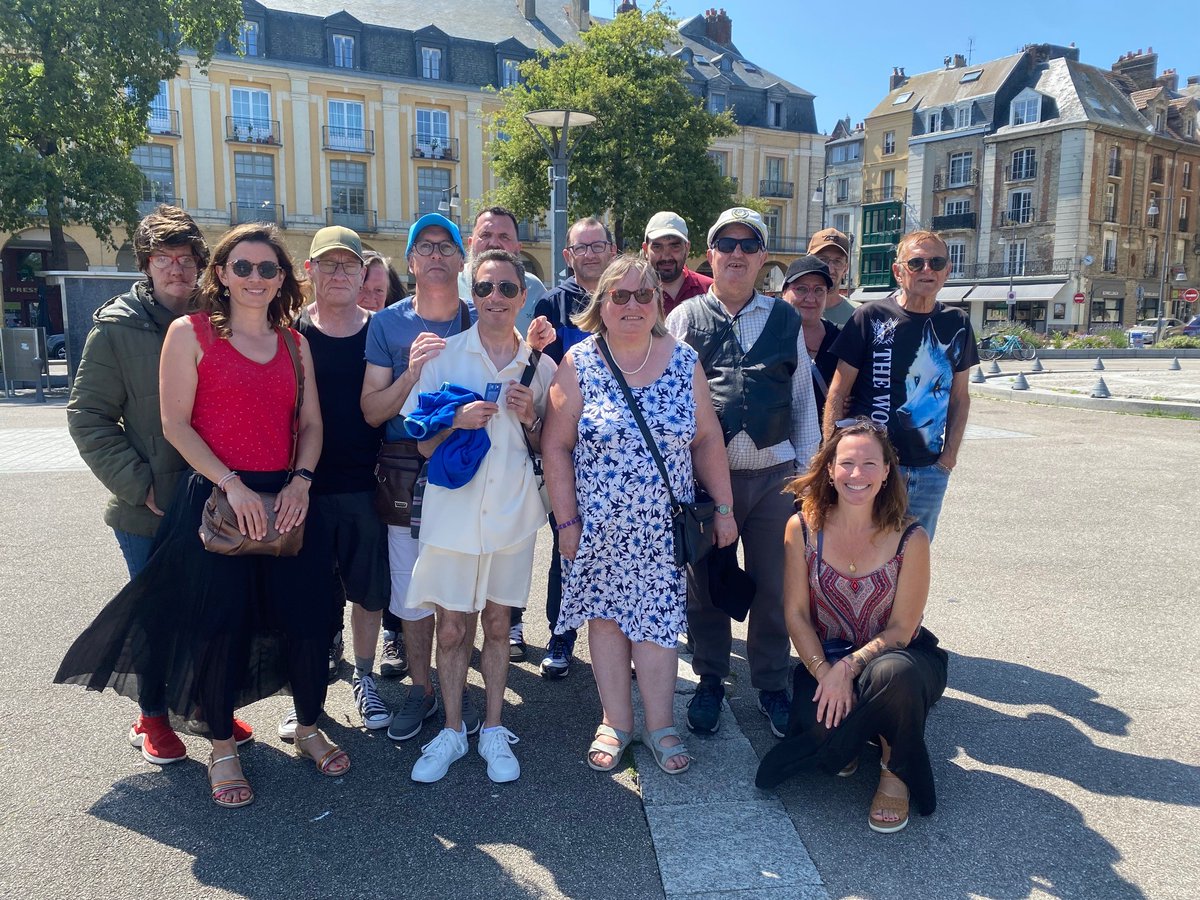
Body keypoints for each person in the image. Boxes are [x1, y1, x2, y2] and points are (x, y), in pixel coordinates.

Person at [56, 223, 347, 809]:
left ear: (283, 278)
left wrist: (302, 481)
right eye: (243, 267)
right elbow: (175, 425)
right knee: (219, 627)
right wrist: (233, 486)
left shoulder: (295, 341)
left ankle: (310, 723)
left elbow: (311, 424)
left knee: (309, 619)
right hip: (218, 500)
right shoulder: (189, 334)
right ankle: (221, 746)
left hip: (288, 499)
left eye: (269, 269)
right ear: (221, 274)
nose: (256, 278)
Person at [66, 205, 253, 763]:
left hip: (216, 496)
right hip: (148, 504)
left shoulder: (220, 317)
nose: (176, 268)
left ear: (201, 264)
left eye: (186, 257)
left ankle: (200, 704)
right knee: (157, 614)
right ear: (146, 264)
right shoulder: (117, 327)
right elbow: (88, 416)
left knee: (213, 610)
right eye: (163, 258)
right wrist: (136, 483)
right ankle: (151, 717)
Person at [544, 255, 735, 774]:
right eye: (620, 296)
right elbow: (555, 446)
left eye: (643, 295)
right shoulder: (579, 362)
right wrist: (566, 522)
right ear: (601, 304)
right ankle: (615, 721)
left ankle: (660, 725)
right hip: (596, 528)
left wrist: (723, 508)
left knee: (656, 628)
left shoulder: (683, 360)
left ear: (657, 303)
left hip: (659, 530)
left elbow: (707, 439)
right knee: (605, 624)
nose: (632, 305)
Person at [400, 249, 556, 784]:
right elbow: (421, 448)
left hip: (512, 513)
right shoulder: (442, 359)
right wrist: (457, 422)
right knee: (451, 628)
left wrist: (531, 415)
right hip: (453, 516)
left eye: (507, 289)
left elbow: (549, 445)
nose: (495, 298)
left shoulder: (540, 365)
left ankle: (491, 726)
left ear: (522, 297)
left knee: (497, 624)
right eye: (486, 288)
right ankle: (451, 729)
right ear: (472, 294)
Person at [665, 207, 820, 740]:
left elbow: (803, 402)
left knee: (777, 587)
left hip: (775, 476)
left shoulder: (784, 319)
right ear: (709, 255)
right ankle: (710, 678)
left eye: (748, 244)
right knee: (705, 584)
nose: (736, 253)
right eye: (725, 243)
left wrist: (809, 479)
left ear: (761, 258)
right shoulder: (684, 318)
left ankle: (771, 684)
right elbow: (666, 399)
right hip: (708, 480)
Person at [754, 419, 947, 834]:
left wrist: (848, 669)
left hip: (900, 659)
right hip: (826, 657)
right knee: (824, 730)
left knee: (894, 675)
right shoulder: (802, 528)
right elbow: (797, 615)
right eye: (847, 463)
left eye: (869, 464)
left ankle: (894, 769)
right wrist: (826, 671)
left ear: (886, 471)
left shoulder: (910, 536)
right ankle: (864, 731)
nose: (857, 474)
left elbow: (902, 628)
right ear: (829, 469)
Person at [362, 213, 480, 744]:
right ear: (409, 263)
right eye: (424, 247)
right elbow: (370, 410)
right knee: (411, 592)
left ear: (461, 259)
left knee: (461, 588)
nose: (435, 255)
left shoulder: (484, 314)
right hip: (405, 470)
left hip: (470, 467)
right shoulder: (387, 325)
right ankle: (422, 688)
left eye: (446, 245)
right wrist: (411, 372)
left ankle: (455, 687)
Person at [290, 226, 393, 734]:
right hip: (301, 486)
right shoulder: (289, 332)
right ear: (308, 271)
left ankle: (366, 676)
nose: (338, 274)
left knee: (369, 593)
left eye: (348, 266)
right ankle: (306, 691)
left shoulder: (381, 329)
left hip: (366, 484)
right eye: (327, 265)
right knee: (308, 594)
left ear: (363, 274)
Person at [823, 231, 978, 541]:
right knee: (865, 557)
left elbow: (960, 398)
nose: (927, 270)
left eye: (936, 262)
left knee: (913, 561)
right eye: (916, 262)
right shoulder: (871, 316)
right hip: (871, 470)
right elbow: (838, 392)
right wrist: (833, 454)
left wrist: (948, 459)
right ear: (898, 271)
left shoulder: (957, 323)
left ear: (948, 270)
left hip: (929, 471)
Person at [528, 216, 616, 678]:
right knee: (569, 541)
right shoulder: (551, 303)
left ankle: (623, 637)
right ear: (568, 256)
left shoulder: (628, 293)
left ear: (612, 249)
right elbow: (542, 372)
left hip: (620, 449)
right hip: (568, 444)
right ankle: (561, 638)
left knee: (620, 547)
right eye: (581, 248)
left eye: (597, 245)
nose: (590, 254)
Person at [457, 206, 548, 339]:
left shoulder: (535, 288)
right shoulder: (451, 284)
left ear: (518, 247)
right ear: (470, 243)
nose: (494, 243)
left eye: (504, 237)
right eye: (485, 235)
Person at [782, 255, 839, 420]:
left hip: (829, 440)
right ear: (784, 292)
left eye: (819, 290)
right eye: (801, 289)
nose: (810, 298)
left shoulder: (842, 339)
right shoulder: (767, 337)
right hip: (781, 442)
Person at [642, 211, 712, 317]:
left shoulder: (710, 291)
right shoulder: (634, 295)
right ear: (646, 250)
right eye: (657, 247)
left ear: (687, 248)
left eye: (674, 246)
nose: (666, 256)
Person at [807, 228, 857, 327]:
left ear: (845, 268)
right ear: (808, 262)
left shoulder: (859, 315)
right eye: (823, 260)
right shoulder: (792, 311)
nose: (830, 269)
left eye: (837, 261)